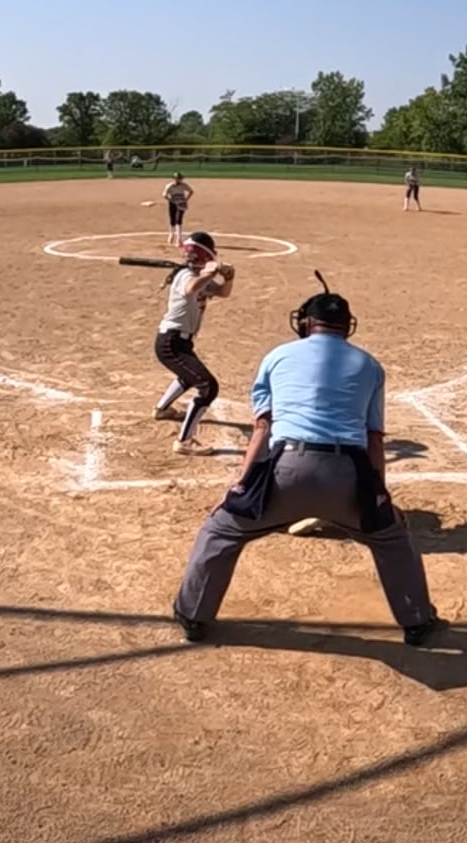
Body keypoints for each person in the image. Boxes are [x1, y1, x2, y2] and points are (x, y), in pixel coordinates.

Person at [170, 282, 443, 646]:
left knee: (220, 532)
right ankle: (417, 621)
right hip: (348, 477)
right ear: (346, 326)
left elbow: (263, 428)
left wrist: (241, 485)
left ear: (307, 323)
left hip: (285, 472)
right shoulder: (369, 365)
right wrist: (378, 493)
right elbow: (374, 439)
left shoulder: (278, 356)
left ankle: (192, 616)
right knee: (393, 537)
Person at [151, 231, 236, 455]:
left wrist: (228, 277)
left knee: (189, 376)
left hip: (181, 343)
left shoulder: (198, 277)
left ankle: (161, 409)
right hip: (170, 342)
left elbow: (223, 292)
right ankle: (184, 442)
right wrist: (210, 273)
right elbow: (190, 289)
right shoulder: (185, 275)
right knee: (208, 387)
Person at [163, 172, 194, 245]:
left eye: (179, 179)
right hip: (173, 203)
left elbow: (191, 191)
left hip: (181, 203)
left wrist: (186, 199)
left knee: (179, 219)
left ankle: (178, 238)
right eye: (177, 178)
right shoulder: (169, 186)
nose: (178, 180)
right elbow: (164, 194)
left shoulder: (183, 185)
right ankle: (171, 234)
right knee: (172, 218)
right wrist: (171, 200)